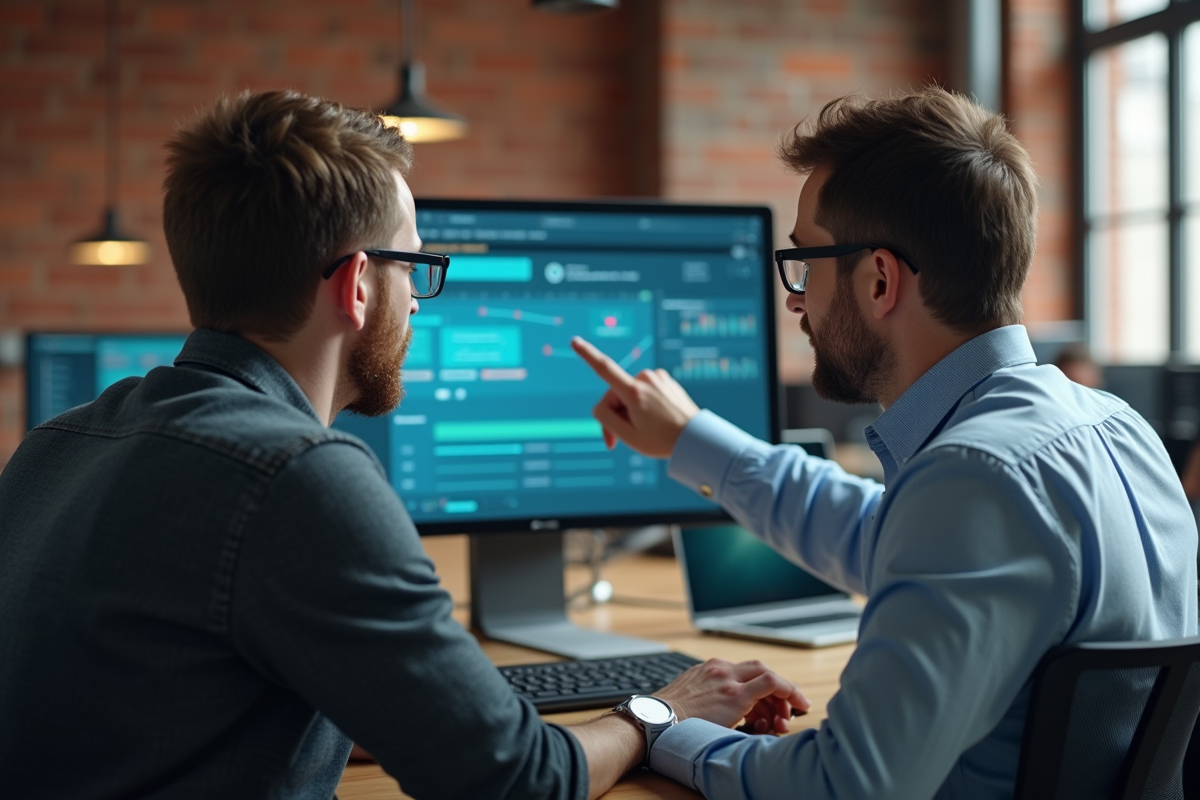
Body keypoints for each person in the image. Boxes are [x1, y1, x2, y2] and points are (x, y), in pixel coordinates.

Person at [0, 90, 807, 800]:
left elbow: (171, 709)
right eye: (415, 268)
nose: (419, 303)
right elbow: (519, 783)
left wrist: (422, 712)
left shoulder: (57, 443)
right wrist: (662, 709)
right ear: (356, 286)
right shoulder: (298, 477)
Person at [571, 87, 1199, 799]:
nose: (795, 299)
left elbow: (842, 787)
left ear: (878, 279)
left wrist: (662, 726)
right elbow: (881, 534)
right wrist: (691, 439)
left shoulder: (977, 475)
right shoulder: (1111, 427)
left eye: (805, 262)